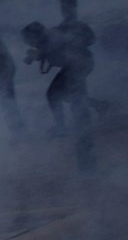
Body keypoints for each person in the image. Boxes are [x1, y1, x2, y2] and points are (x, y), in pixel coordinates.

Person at [22, 19, 97, 172]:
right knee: (65, 96)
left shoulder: (51, 36)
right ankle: (102, 106)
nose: (28, 42)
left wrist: (36, 54)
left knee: (53, 94)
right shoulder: (48, 38)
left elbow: (51, 48)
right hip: (78, 65)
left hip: (78, 66)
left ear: (34, 35)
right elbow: (49, 52)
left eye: (28, 39)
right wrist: (36, 55)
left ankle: (61, 126)